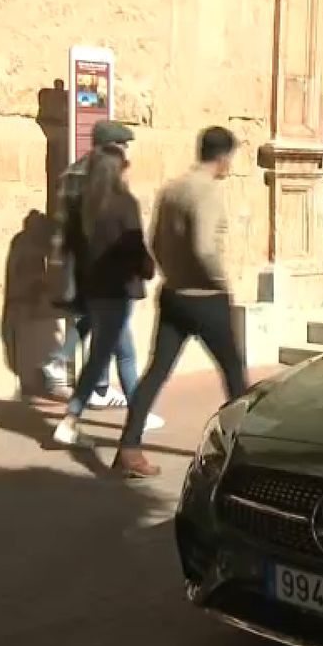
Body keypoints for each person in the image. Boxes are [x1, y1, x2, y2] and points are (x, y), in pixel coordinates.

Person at [117, 127, 249, 477]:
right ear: (222, 157)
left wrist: (172, 270)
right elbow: (205, 247)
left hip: (174, 293)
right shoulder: (206, 192)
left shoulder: (172, 189)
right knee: (235, 374)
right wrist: (220, 281)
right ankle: (243, 452)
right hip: (206, 297)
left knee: (155, 373)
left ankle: (129, 446)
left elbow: (155, 241)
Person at [50, 147, 160, 447]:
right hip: (117, 290)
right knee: (108, 356)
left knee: (112, 353)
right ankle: (76, 420)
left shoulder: (81, 206)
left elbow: (70, 250)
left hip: (94, 292)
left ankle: (123, 415)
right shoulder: (124, 203)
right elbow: (134, 244)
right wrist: (147, 268)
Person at [43, 119, 136, 406]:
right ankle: (70, 367)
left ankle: (98, 385)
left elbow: (63, 223)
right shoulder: (103, 177)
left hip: (76, 258)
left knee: (92, 317)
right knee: (109, 324)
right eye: (122, 146)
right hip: (98, 260)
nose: (126, 152)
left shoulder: (70, 173)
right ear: (111, 147)